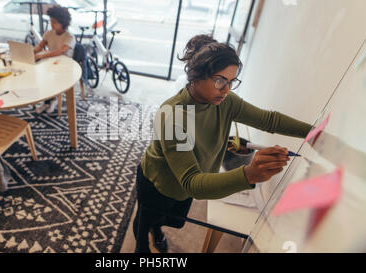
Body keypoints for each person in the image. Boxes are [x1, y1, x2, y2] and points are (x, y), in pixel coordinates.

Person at [132, 34, 314, 253]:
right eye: (220, 80)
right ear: (196, 76)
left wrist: (313, 133)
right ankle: (144, 242)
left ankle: (156, 229)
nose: (226, 89)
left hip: (184, 186)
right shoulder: (175, 115)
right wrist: (248, 175)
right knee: (146, 223)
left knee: (175, 221)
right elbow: (192, 182)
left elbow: (269, 120)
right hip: (158, 183)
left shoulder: (226, 102)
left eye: (231, 81)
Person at [33, 5, 76, 114]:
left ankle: (52, 100)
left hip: (65, 67)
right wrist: (30, 52)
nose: (52, 24)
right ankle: (48, 100)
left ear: (63, 23)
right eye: (51, 21)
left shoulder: (69, 37)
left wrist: (42, 55)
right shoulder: (49, 33)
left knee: (48, 77)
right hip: (50, 63)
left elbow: (61, 51)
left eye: (55, 22)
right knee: (38, 75)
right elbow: (39, 47)